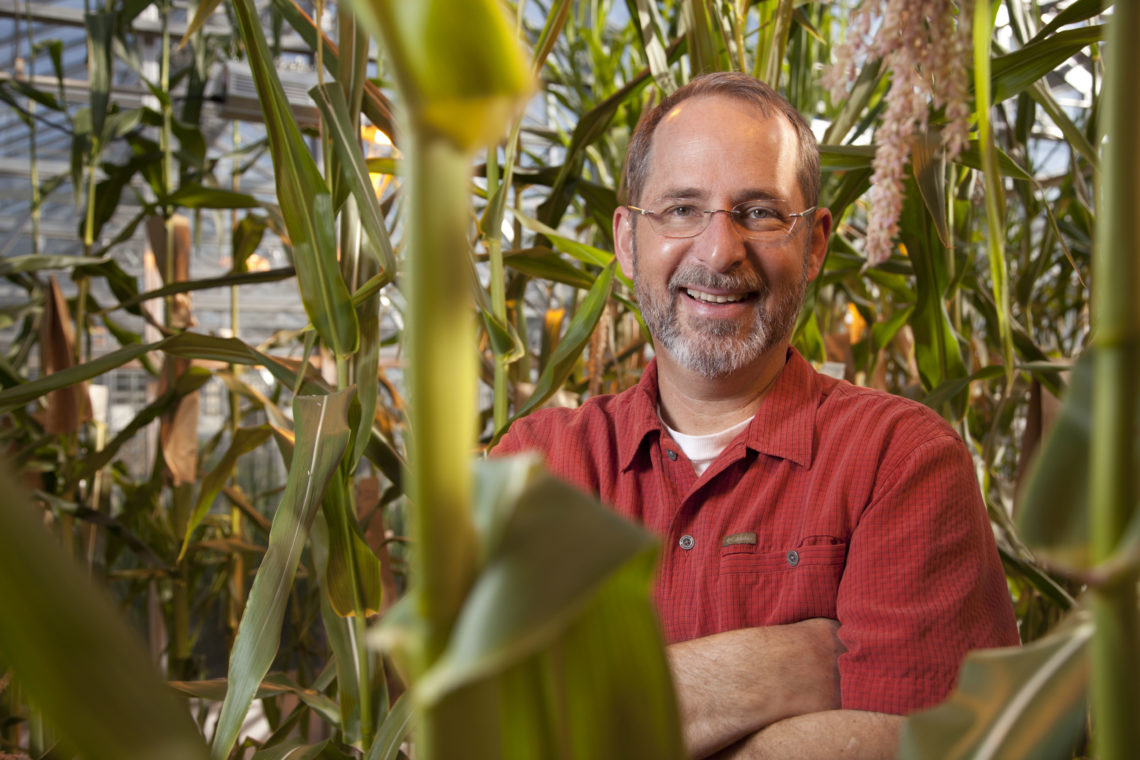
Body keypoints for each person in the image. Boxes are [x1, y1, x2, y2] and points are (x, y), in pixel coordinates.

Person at [494, 72, 1019, 759]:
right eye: (682, 209)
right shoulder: (539, 468)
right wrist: (783, 667)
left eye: (761, 212)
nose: (718, 251)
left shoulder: (901, 462)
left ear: (817, 242)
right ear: (626, 242)